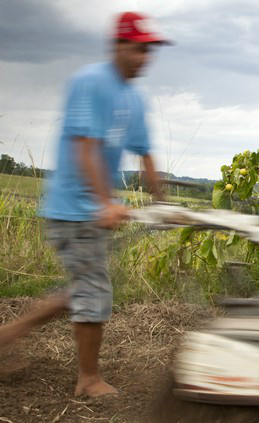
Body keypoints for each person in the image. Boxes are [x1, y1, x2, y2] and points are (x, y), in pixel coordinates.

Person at [0, 12, 170, 397]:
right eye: (139, 49)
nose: (145, 57)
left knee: (82, 287)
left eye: (150, 50)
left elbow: (145, 153)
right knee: (92, 288)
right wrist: (105, 203)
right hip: (71, 207)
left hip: (90, 209)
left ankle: (10, 333)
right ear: (119, 46)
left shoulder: (135, 98)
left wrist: (163, 202)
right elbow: (85, 147)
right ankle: (88, 380)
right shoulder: (90, 83)